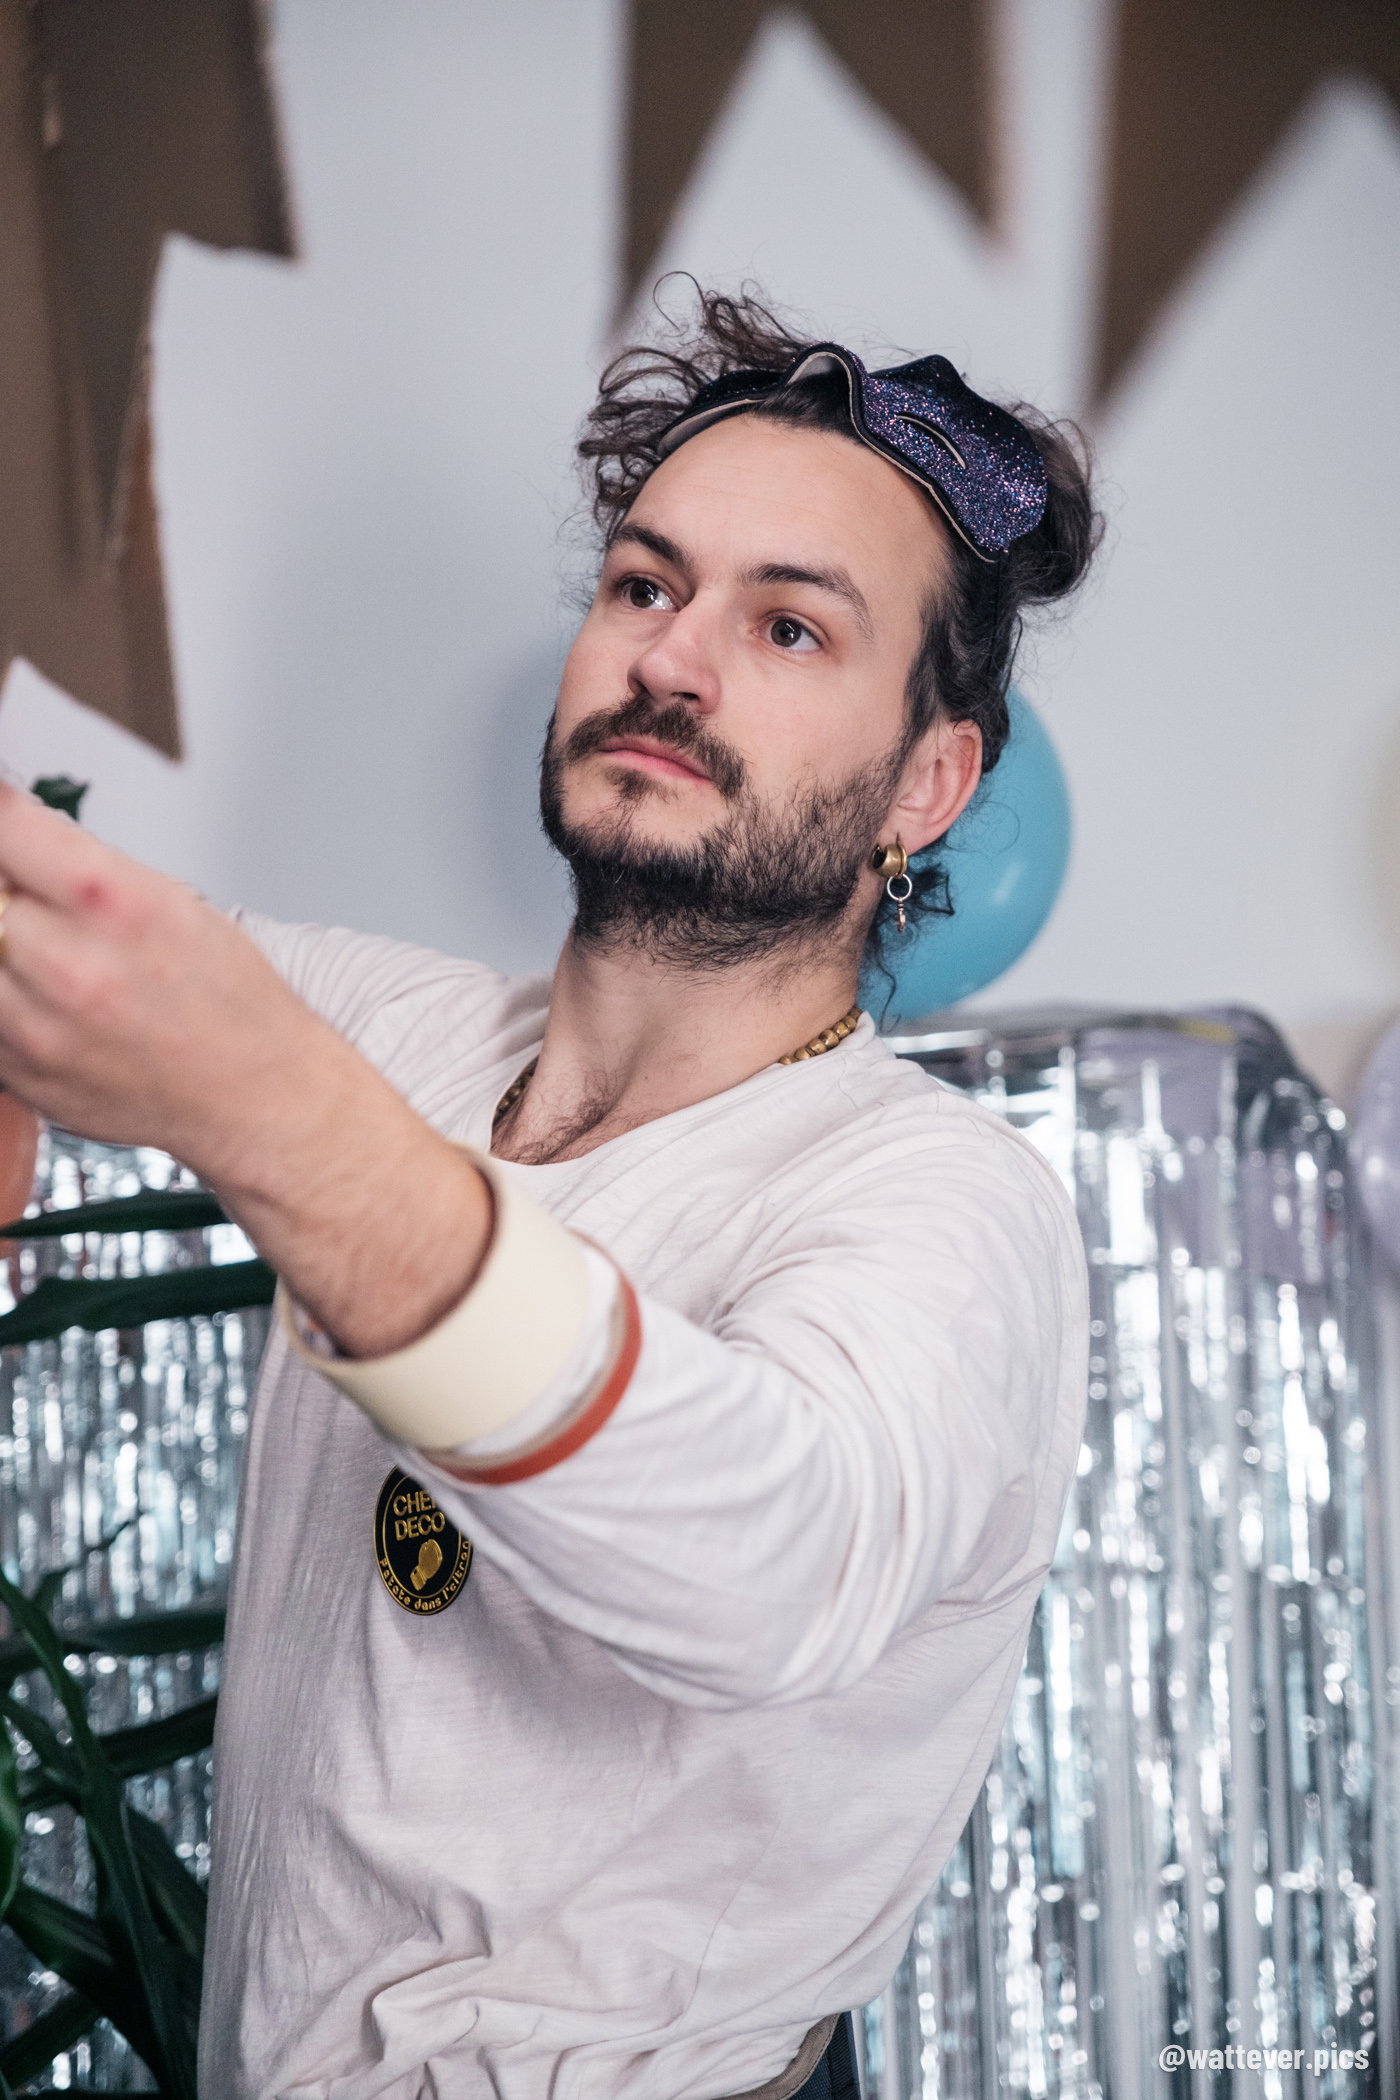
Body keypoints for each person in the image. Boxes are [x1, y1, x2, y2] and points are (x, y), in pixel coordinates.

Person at [0, 292, 1099, 2100]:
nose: (675, 661)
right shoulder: (409, 1029)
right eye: (645, 585)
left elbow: (777, 1560)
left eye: (789, 625)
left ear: (927, 782)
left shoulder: (946, 1200)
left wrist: (278, 1118)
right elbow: (69, 948)